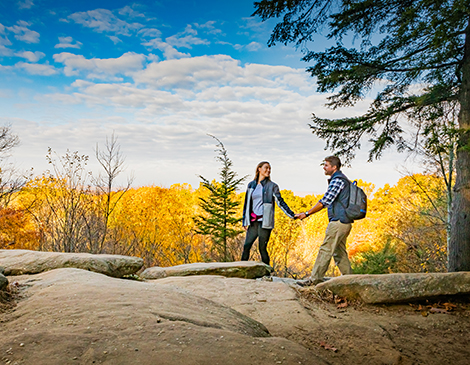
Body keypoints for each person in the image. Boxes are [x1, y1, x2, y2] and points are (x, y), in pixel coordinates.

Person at [296, 156, 353, 286]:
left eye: (326, 165)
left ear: (334, 167)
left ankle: (314, 280)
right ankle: (351, 280)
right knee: (339, 253)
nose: (324, 167)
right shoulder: (341, 179)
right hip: (344, 222)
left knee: (325, 250)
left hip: (338, 222)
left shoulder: (337, 180)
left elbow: (324, 202)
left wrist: (306, 213)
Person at [241, 161, 296, 266]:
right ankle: (240, 270)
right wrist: (245, 220)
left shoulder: (272, 186)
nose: (268, 170)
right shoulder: (251, 185)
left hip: (265, 222)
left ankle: (267, 275)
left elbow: (280, 202)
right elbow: (246, 204)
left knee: (262, 248)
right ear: (259, 169)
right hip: (253, 222)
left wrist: (292, 215)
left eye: (270, 169)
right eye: (266, 168)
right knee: (246, 246)